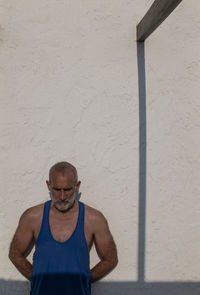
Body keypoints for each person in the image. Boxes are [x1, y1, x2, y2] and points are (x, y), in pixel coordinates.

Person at [8, 161, 118, 295]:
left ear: (77, 186)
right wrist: (37, 278)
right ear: (48, 185)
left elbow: (111, 258)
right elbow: (15, 253)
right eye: (56, 189)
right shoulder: (33, 217)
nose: (62, 196)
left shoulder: (93, 219)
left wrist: (84, 279)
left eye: (67, 190)